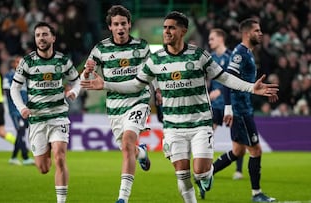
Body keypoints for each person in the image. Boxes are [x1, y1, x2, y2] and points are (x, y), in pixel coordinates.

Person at [81, 11, 279, 203]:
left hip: (200, 123)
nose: (166, 31)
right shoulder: (155, 60)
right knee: (182, 176)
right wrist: (105, 84)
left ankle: (207, 174)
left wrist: (252, 87)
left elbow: (225, 78)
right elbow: (135, 84)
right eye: (165, 28)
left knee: (200, 172)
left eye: (171, 28)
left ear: (183, 30)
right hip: (173, 126)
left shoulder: (199, 56)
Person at [82, 5, 151, 203]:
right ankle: (142, 152)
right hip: (114, 107)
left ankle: (122, 198)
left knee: (129, 141)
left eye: (123, 23)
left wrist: (160, 90)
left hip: (138, 101)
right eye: (116, 24)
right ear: (110, 27)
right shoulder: (101, 49)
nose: (120, 27)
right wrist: (86, 74)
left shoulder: (142, 46)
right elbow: (85, 75)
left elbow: (151, 73)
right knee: (128, 148)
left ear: (129, 25)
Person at [10, 22, 81, 203]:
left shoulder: (63, 60)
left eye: (44, 34)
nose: (41, 38)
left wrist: (73, 91)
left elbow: (77, 80)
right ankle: (47, 147)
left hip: (58, 117)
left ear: (53, 38)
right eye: (38, 35)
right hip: (37, 120)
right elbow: (14, 89)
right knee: (43, 168)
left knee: (60, 157)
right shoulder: (27, 62)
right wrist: (22, 108)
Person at [212, 18, 276, 202]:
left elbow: (244, 83)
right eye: (257, 30)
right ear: (247, 33)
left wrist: (262, 90)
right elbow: (227, 80)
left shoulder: (247, 53)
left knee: (238, 151)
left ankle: (206, 174)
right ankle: (257, 194)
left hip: (243, 107)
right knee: (255, 151)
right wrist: (228, 108)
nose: (260, 33)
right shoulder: (240, 54)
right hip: (240, 111)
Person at [208, 28, 244, 184]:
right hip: (215, 105)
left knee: (237, 139)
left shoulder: (231, 57)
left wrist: (219, 91)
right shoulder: (211, 58)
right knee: (207, 134)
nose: (210, 41)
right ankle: (206, 166)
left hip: (230, 104)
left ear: (221, 38)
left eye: (212, 38)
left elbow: (235, 80)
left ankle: (238, 170)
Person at [3, 55, 34, 166]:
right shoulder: (9, 76)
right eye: (17, 62)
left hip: (25, 110)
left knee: (21, 132)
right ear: (13, 64)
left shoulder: (26, 77)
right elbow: (8, 93)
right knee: (20, 131)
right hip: (15, 110)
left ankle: (14, 157)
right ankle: (25, 157)